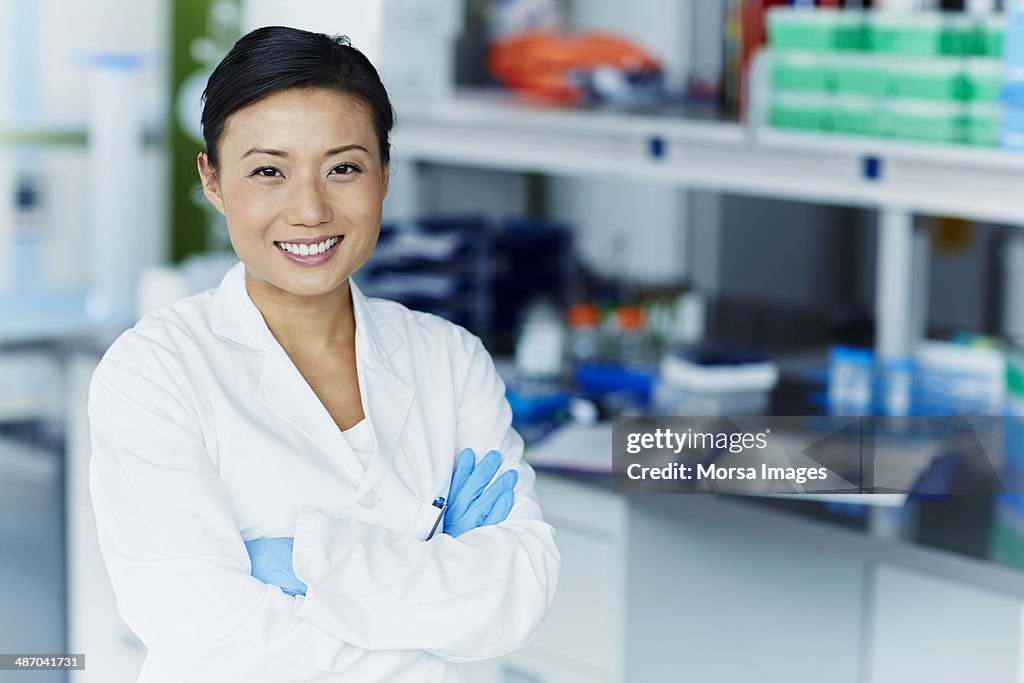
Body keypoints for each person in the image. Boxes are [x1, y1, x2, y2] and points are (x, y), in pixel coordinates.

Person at [88, 25, 560, 683]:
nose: (309, 208)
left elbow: (518, 593)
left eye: (343, 167)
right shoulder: (153, 372)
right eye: (268, 171)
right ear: (214, 180)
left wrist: (306, 559)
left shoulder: (450, 360)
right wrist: (430, 591)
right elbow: (203, 632)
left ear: (384, 174)